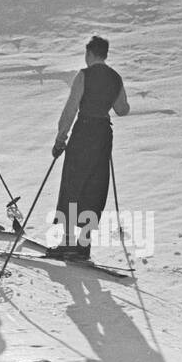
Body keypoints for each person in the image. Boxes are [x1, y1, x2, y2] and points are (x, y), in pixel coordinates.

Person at [48, 35, 130, 260]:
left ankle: (66, 243)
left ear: (90, 54)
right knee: (94, 187)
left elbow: (71, 109)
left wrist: (60, 139)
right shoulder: (116, 78)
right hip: (103, 134)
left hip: (84, 131)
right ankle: (84, 245)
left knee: (73, 185)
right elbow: (122, 109)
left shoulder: (84, 75)